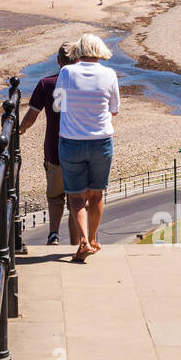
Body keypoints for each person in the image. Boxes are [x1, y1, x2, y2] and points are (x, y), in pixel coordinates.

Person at [55, 34, 120, 262]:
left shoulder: (66, 73)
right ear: (99, 50)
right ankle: (92, 239)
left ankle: (83, 241)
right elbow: (114, 109)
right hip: (101, 141)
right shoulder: (110, 74)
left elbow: (58, 104)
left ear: (78, 51)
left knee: (76, 197)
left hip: (72, 141)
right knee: (96, 194)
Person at [18, 41, 80, 246]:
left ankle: (53, 234)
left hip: (54, 150)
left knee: (55, 197)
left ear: (58, 61)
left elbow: (31, 116)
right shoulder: (84, 83)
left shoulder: (46, 83)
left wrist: (20, 129)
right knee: (76, 202)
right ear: (78, 59)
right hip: (80, 150)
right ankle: (76, 244)